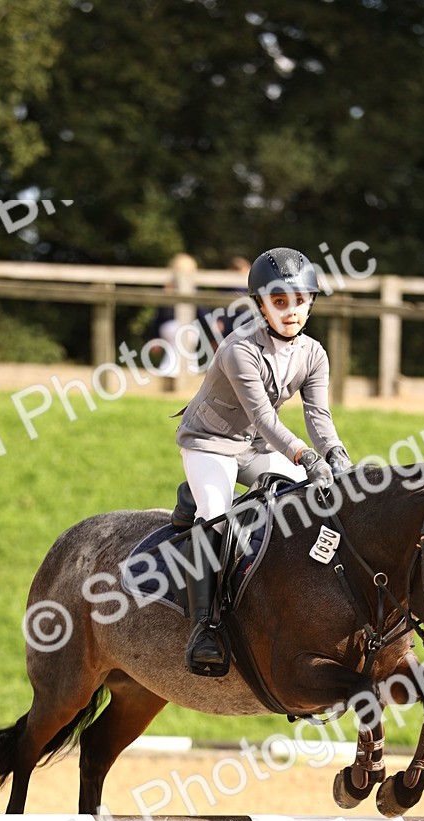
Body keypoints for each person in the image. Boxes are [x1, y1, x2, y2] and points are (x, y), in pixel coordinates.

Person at [175, 246, 352, 674]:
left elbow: (318, 416)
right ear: (260, 304)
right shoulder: (239, 349)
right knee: (215, 517)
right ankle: (204, 628)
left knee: (314, 500)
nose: (291, 311)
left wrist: (336, 454)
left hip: (254, 448)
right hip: (210, 442)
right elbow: (265, 418)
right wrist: (305, 456)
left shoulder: (314, 353)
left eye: (300, 301)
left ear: (311, 302)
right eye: (279, 301)